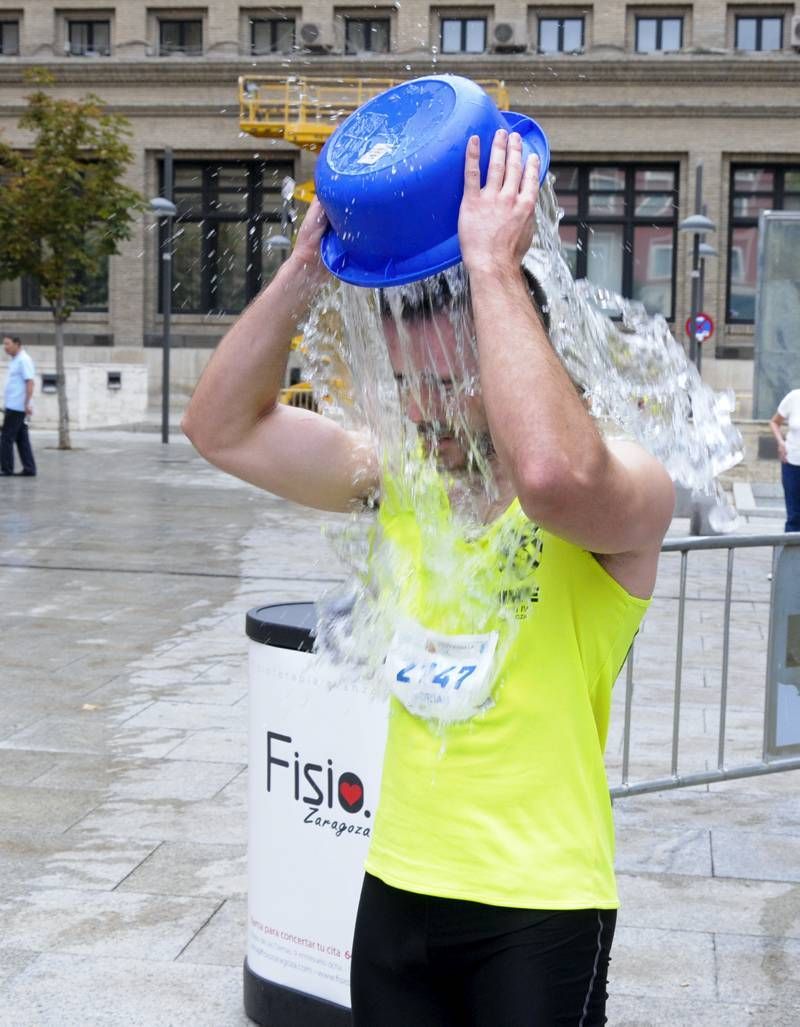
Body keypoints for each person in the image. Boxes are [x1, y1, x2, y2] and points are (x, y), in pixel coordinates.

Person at [183, 129, 675, 1025]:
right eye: (409, 383)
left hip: (539, 904)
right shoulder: (407, 482)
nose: (424, 410)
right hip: (397, 884)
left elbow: (555, 477)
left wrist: (491, 268)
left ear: (519, 352)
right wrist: (305, 273)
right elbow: (221, 428)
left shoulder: (624, 487)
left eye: (451, 382)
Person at [1, 334, 37, 478]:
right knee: (22, 438)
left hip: (18, 407)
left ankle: (6, 469)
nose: (5, 347)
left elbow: (30, 382)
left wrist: (27, 403)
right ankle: (29, 469)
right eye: (4, 344)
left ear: (17, 344)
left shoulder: (24, 360)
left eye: (7, 344)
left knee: (5, 438)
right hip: (13, 405)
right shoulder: (16, 360)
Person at [770, 387, 800, 532]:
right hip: (792, 462)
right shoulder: (794, 397)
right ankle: (791, 553)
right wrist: (781, 443)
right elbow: (775, 422)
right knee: (794, 515)